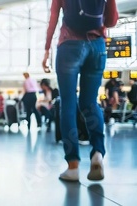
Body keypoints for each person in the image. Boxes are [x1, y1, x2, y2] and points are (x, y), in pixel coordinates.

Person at [43, 0, 118, 181]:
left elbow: (53, 17)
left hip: (69, 45)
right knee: (90, 103)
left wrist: (46, 50)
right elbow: (111, 21)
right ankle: (97, 154)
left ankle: (73, 166)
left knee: (68, 104)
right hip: (97, 46)